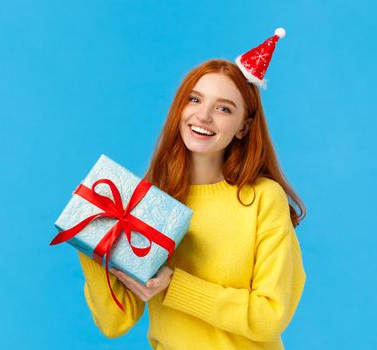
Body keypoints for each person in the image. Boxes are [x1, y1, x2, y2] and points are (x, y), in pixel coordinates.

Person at [77, 29, 307, 350]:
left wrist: (175, 287)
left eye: (224, 108)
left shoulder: (262, 199)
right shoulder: (152, 201)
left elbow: (270, 314)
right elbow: (116, 323)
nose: (203, 115)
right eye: (195, 99)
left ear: (243, 127)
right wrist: (90, 239)